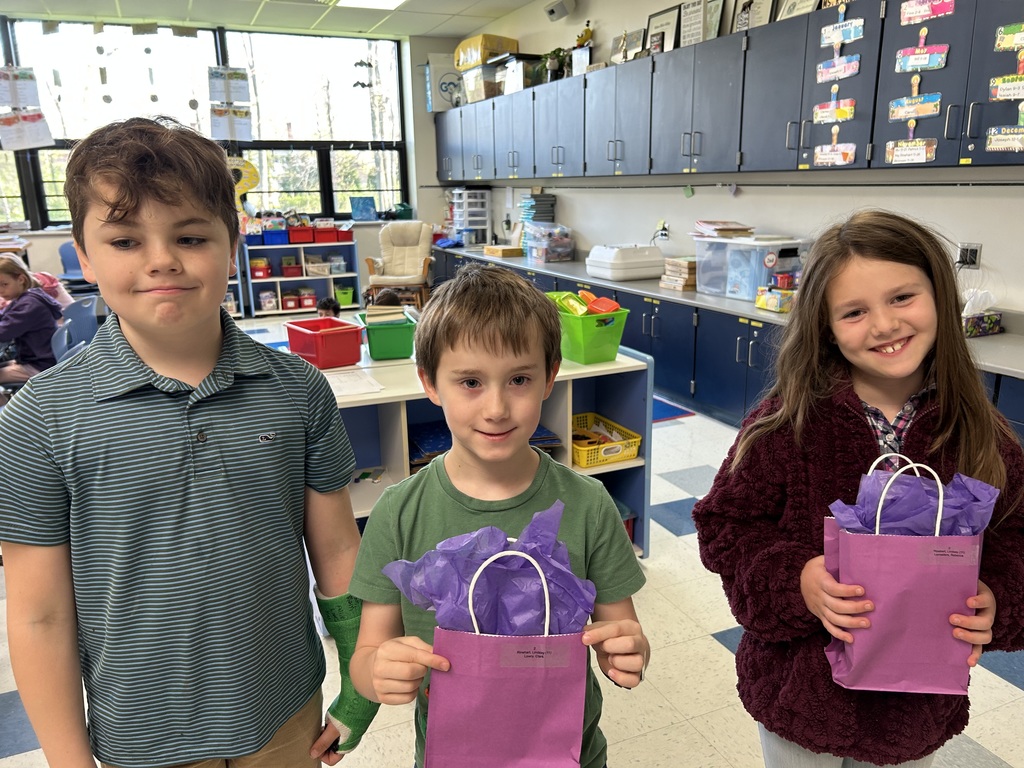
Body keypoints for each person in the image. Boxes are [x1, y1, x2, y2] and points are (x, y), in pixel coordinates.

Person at [0, 116, 378, 768]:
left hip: (285, 711)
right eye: (125, 240)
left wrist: (361, 688)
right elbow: (40, 617)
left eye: (191, 236)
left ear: (231, 245)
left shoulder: (299, 390)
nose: (161, 260)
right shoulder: (39, 418)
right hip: (142, 735)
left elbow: (339, 551)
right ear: (83, 256)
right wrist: (68, 760)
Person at [692, 210, 1024, 767]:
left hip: (913, 705)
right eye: (854, 311)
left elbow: (1016, 536)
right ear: (826, 326)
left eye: (902, 298)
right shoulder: (787, 422)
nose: (884, 325)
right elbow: (725, 525)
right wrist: (798, 578)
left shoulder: (977, 430)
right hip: (801, 692)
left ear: (940, 297)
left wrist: (999, 598)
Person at [343, 262, 650, 768]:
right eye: (470, 382)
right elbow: (365, 658)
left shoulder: (589, 505)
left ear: (550, 377)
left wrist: (627, 652)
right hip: (454, 753)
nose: (496, 408)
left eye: (519, 379)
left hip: (568, 754)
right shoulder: (398, 512)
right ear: (430, 383)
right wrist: (378, 672)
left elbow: (623, 630)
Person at [0, 255, 63, 385]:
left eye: (4, 284)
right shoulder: (31, 295)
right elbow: (6, 316)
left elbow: (3, 332)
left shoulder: (29, 305)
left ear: (21, 279)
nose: (0, 290)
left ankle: (9, 400)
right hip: (41, 358)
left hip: (40, 366)